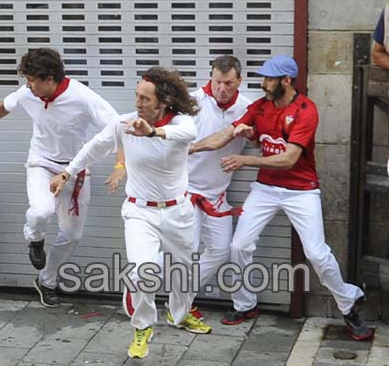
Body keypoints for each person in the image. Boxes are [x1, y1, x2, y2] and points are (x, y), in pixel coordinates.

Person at [191, 55, 373, 341]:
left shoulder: (306, 110)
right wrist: (189, 149)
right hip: (265, 188)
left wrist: (245, 160)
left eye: (269, 79)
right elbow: (225, 134)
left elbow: (289, 159)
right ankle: (245, 305)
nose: (263, 83)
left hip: (301, 190)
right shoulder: (260, 107)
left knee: (316, 252)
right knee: (239, 245)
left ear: (286, 81)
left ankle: (348, 304)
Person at [50, 67, 211, 360]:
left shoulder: (180, 122)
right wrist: (66, 173)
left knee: (185, 271)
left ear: (163, 102)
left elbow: (188, 133)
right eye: (137, 96)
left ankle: (180, 314)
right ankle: (143, 326)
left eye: (146, 99)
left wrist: (153, 131)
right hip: (140, 212)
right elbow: (93, 147)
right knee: (142, 271)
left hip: (178, 213)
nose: (138, 103)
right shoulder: (123, 123)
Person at [0, 48, 119, 308]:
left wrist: (121, 163)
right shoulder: (28, 94)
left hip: (74, 171)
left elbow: (117, 129)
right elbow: (2, 107)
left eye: (32, 80)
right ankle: (34, 238)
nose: (28, 85)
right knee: (41, 211)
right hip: (41, 163)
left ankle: (47, 281)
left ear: (49, 79)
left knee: (72, 235)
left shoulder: (83, 98)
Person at [182, 55, 253, 298]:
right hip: (186, 191)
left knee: (221, 251)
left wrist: (251, 134)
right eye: (217, 82)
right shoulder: (192, 102)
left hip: (216, 195)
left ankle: (181, 300)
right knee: (183, 251)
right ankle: (140, 279)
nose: (222, 89)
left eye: (229, 84)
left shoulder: (246, 108)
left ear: (239, 81)